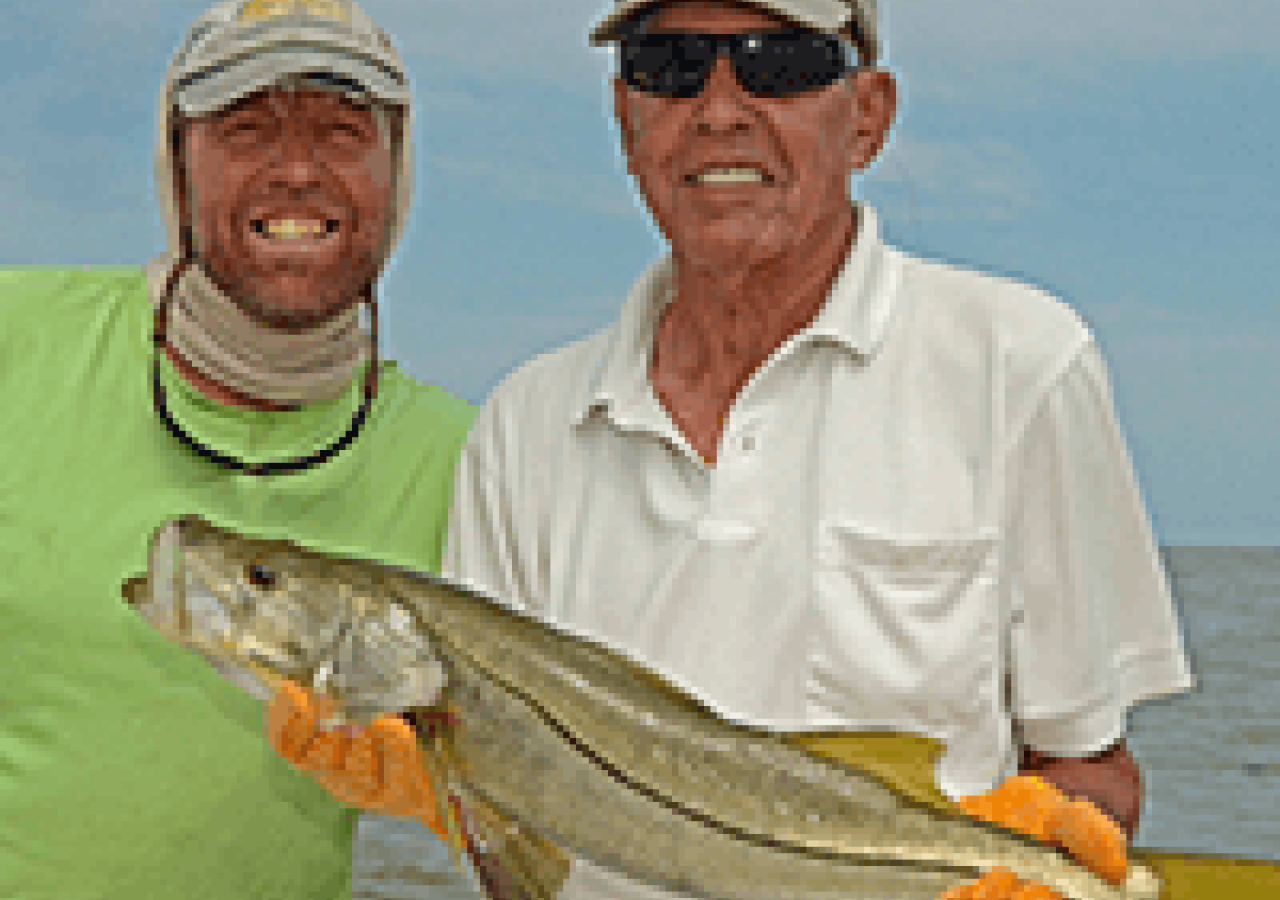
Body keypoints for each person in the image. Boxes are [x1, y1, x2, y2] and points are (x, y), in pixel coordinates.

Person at [285, 1, 1197, 899]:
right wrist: (445, 781)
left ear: (868, 115)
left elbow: (1094, 773)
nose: (720, 109)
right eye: (670, 67)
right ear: (625, 119)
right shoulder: (524, 425)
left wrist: (1060, 862)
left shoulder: (1023, 365)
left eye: (780, 62)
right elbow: (514, 839)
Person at [0, 1, 473, 897]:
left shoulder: (471, 458)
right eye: (247, 129)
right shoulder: (12, 341)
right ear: (176, 170)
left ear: (397, 175)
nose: (296, 170)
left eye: (340, 132)